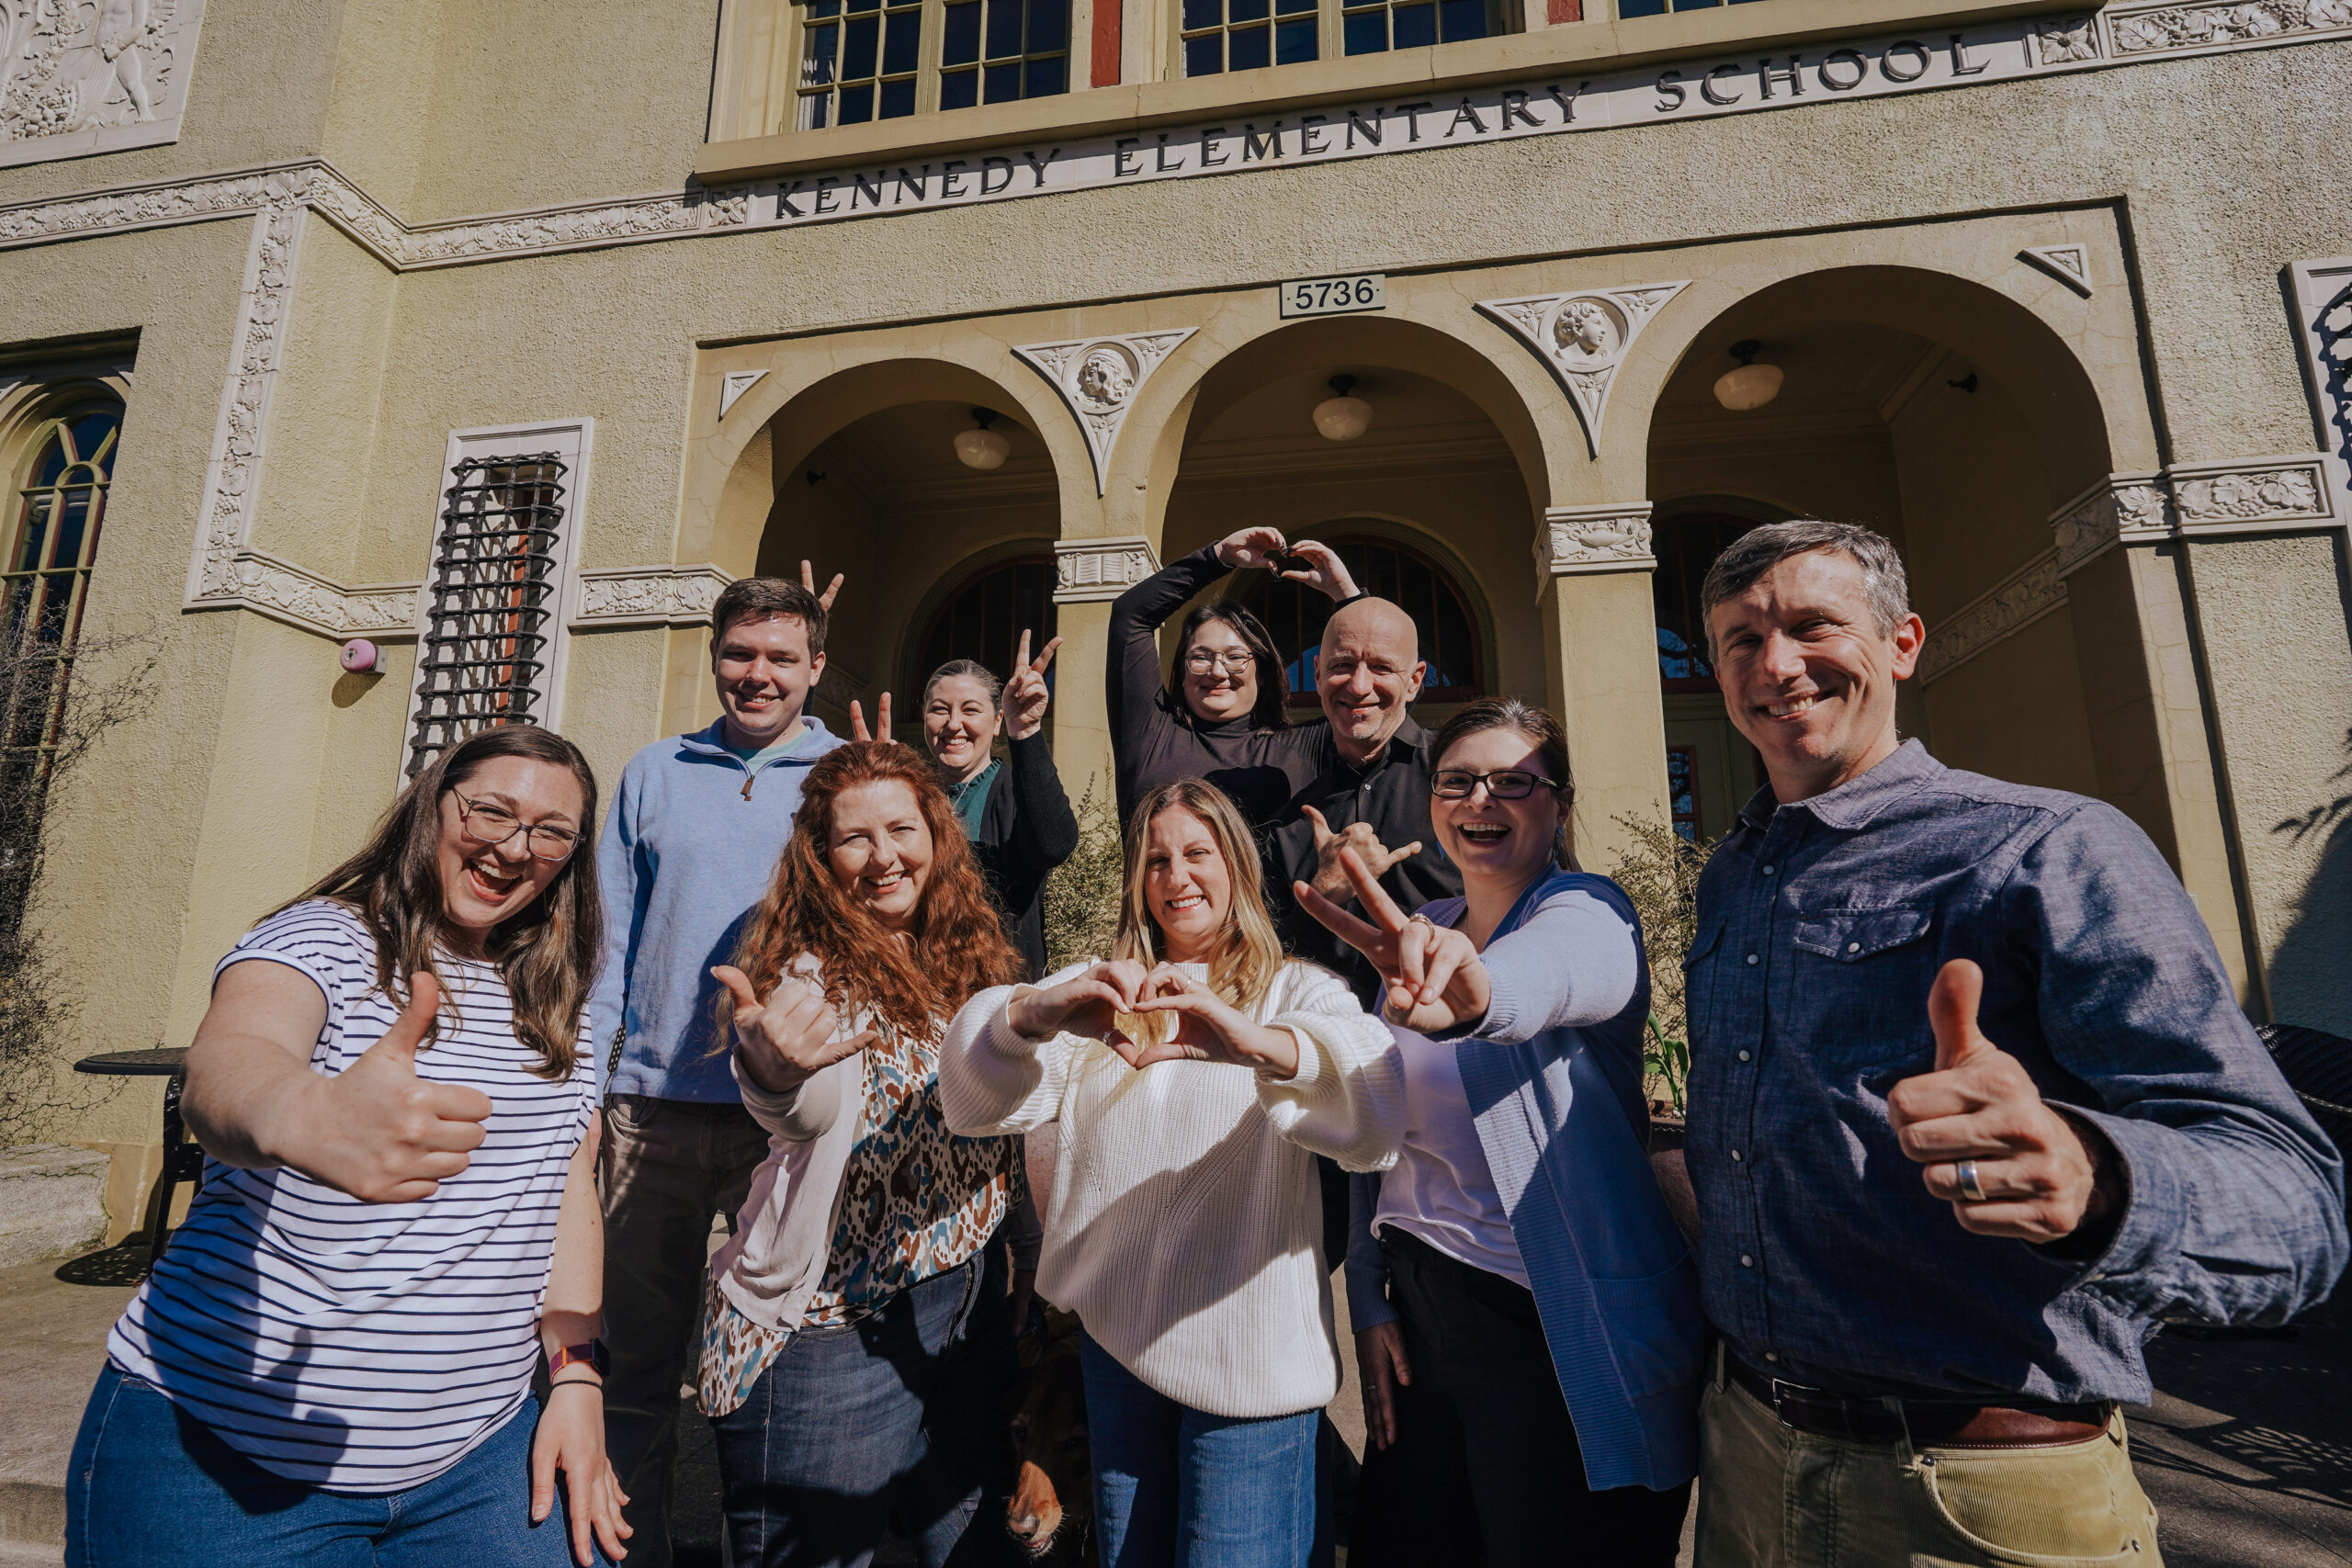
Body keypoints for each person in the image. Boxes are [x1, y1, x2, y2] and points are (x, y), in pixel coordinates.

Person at [1681, 520, 2348, 1565]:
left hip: (1983, 1496)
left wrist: (2096, 1177)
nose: (1775, 666)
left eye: (1813, 626)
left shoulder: (2048, 846)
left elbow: (2294, 1206)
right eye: (1737, 641)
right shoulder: (1734, 871)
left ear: (1902, 643)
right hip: (1747, 1457)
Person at [71, 726, 624, 1568]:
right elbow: (228, 1064)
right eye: (491, 811)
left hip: (477, 1458)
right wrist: (303, 1113)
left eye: (551, 830)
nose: (515, 847)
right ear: (432, 806)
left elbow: (569, 1193)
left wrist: (577, 1378)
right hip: (218, 1454)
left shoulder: (562, 999)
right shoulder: (324, 938)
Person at [939, 777, 1406, 1568]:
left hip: (1248, 1384)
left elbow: (1375, 1105)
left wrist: (1261, 1045)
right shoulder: (1106, 992)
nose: (1176, 875)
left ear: (1239, 868)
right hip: (1117, 1360)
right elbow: (970, 1097)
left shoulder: (1295, 989)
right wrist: (1030, 1013)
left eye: (1199, 853)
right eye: (1156, 859)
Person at [1300, 697, 1700, 1567]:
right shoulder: (1425, 931)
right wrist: (1369, 1298)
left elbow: (1561, 971)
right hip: (1424, 1317)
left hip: (1556, 1330)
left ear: (1557, 804)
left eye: (1514, 782)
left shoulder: (1589, 910)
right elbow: (1380, 1136)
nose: (1482, 799)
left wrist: (1480, 996)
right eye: (1459, 781)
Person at [700, 739, 1029, 1568]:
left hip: (964, 1304)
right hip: (833, 1331)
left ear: (936, 834)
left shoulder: (966, 954)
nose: (884, 857)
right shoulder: (809, 974)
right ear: (820, 855)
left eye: (902, 829)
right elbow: (799, 1104)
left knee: (973, 1546)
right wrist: (771, 1071)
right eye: (855, 838)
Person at [587, 569, 846, 1567]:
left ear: (815, 667)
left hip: (781, 1119)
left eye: (782, 657)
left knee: (773, 1361)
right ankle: (625, 1551)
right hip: (647, 1112)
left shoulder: (842, 777)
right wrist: (588, 1087)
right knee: (635, 1366)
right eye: (741, 653)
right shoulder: (653, 772)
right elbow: (611, 945)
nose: (758, 674)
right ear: (714, 657)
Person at [1272, 593, 1464, 1009]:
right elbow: (1254, 948)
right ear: (1319, 673)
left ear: (1414, 681)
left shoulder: (1460, 781)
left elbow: (1530, 904)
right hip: (1309, 1043)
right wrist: (1325, 891)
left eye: (1380, 667)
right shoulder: (1282, 795)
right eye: (1342, 665)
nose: (1360, 687)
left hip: (1448, 1036)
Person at [1106, 525, 1358, 837]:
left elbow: (1387, 699)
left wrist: (1348, 596)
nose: (1217, 671)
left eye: (1236, 657)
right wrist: (1218, 557)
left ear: (1262, 674)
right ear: (1182, 671)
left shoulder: (1306, 746)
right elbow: (1129, 617)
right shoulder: (1151, 734)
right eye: (1201, 657)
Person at [921, 631, 1080, 980]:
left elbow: (1055, 845)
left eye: (970, 710)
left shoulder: (1013, 789)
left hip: (998, 996)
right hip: (916, 989)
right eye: (939, 710)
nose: (953, 724)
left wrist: (1025, 732)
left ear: (996, 723)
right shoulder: (909, 796)